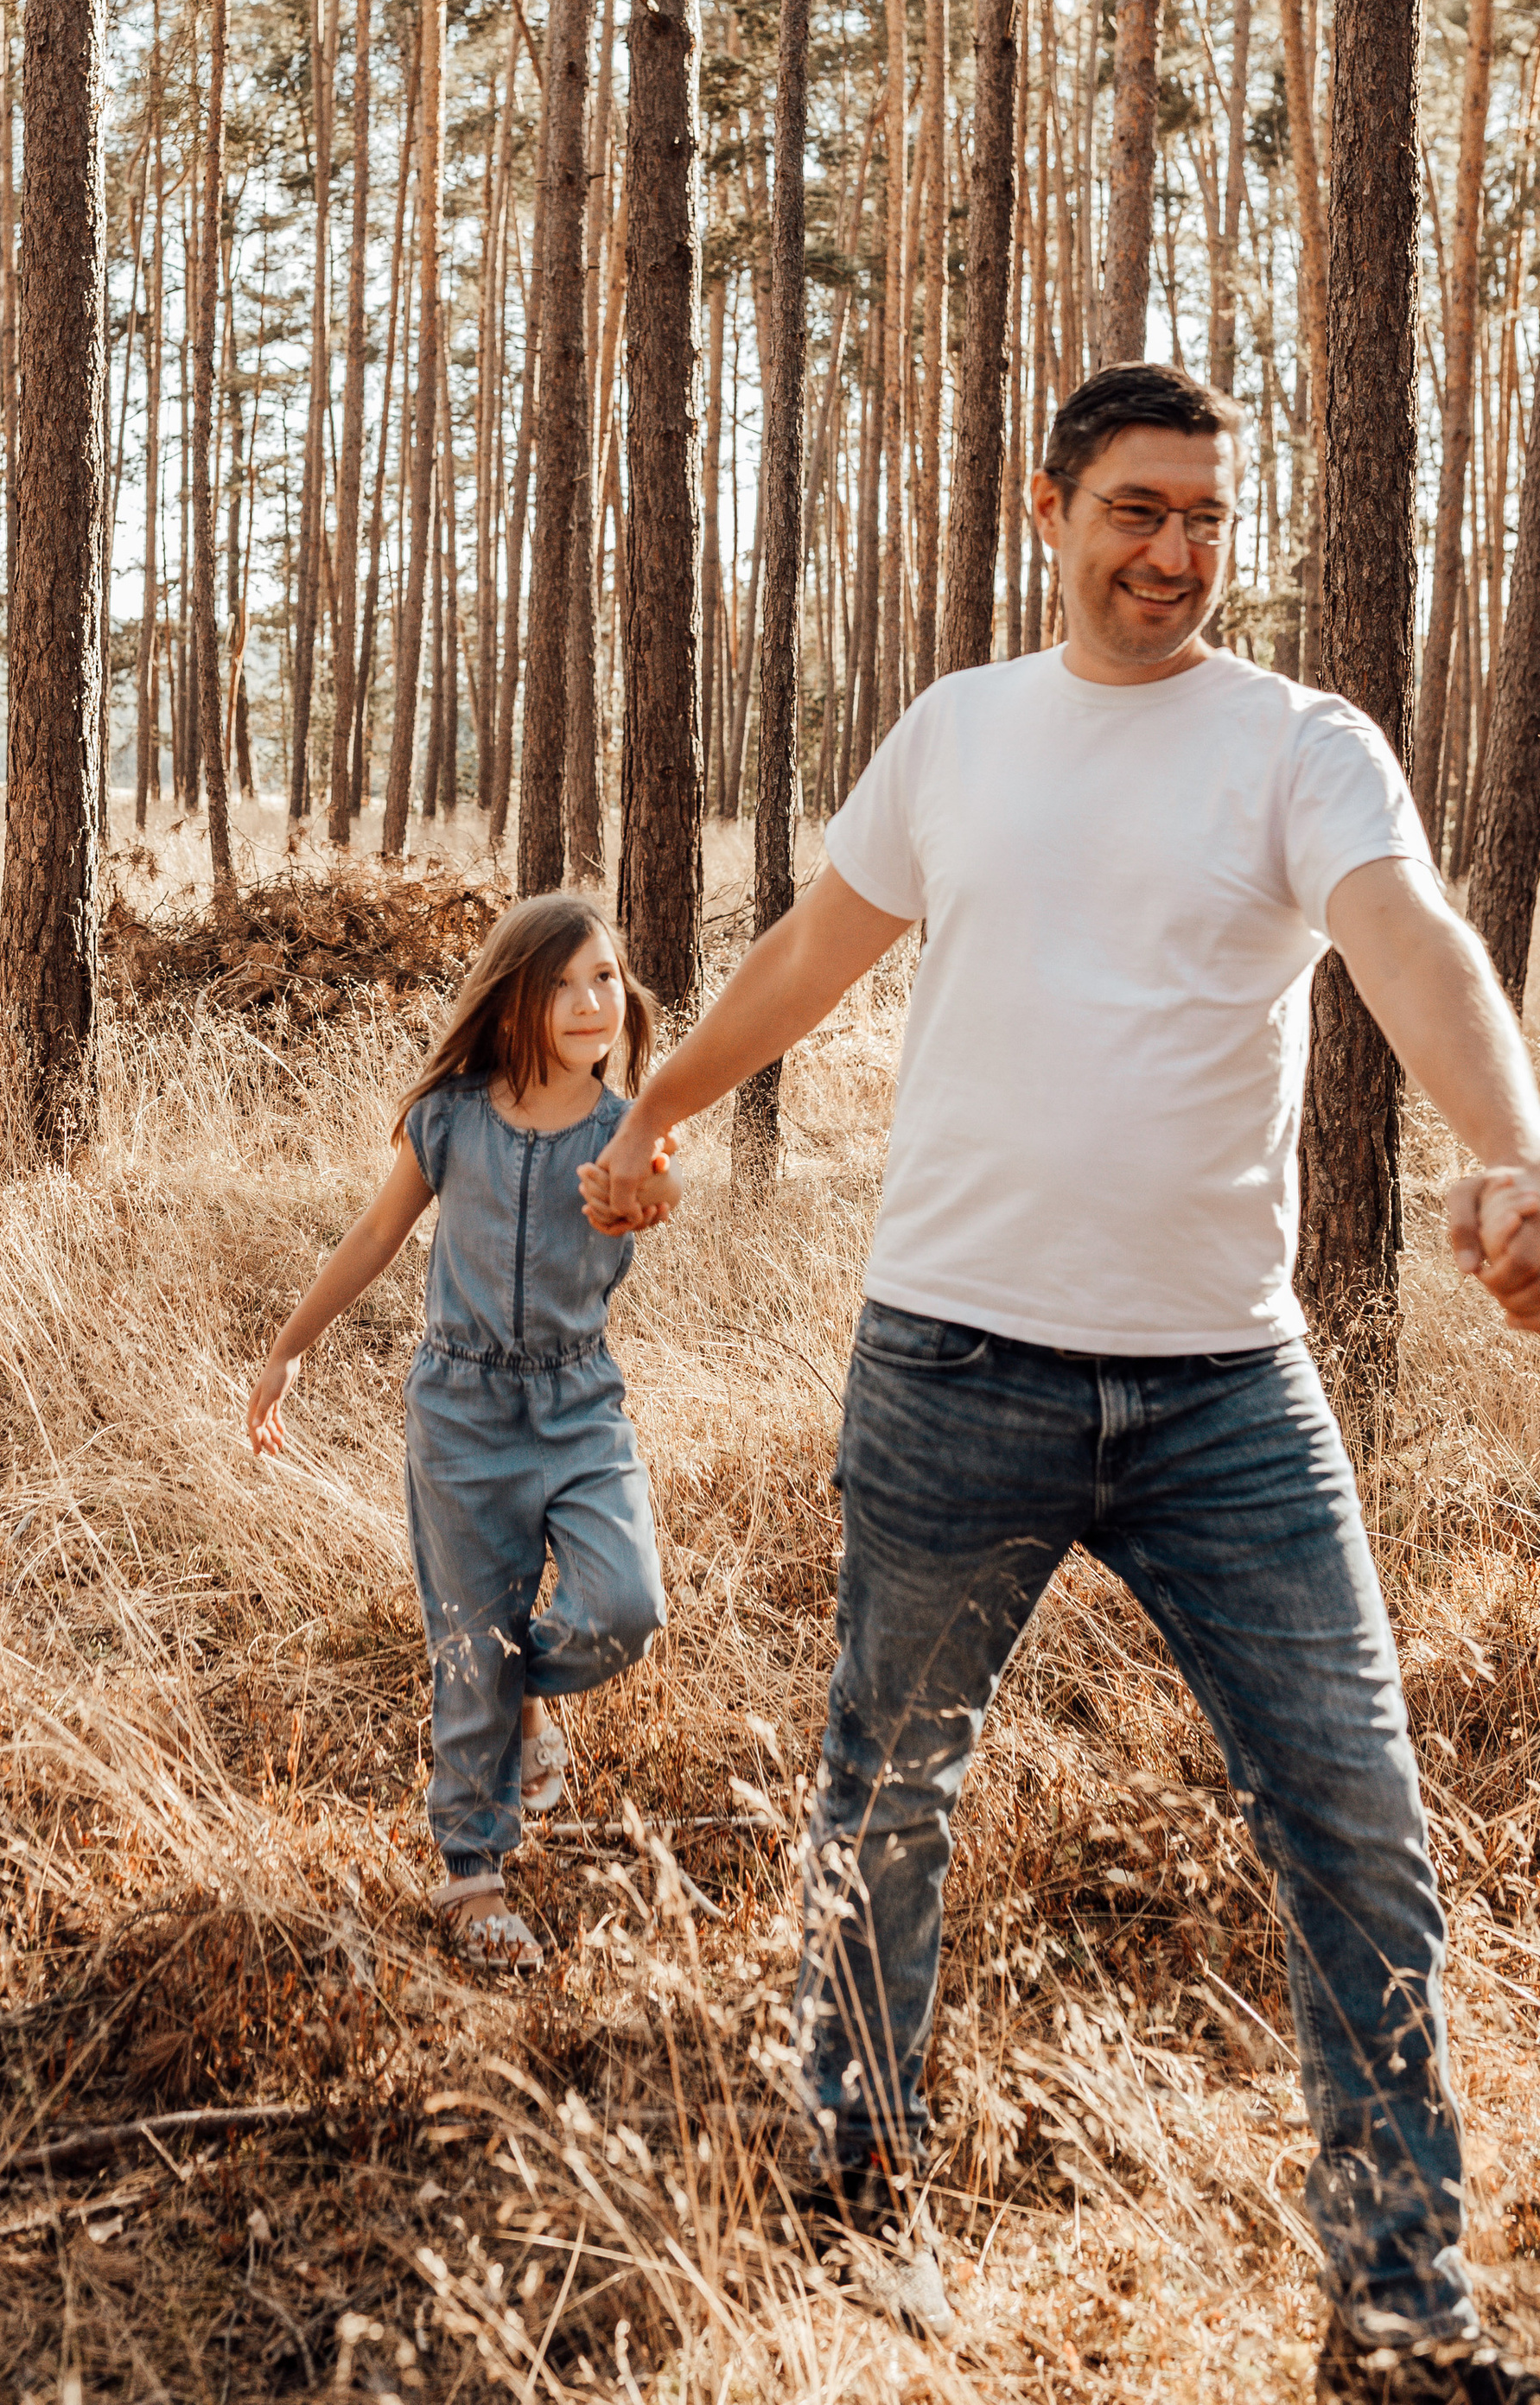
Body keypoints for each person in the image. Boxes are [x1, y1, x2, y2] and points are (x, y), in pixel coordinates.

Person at [584, 362, 1540, 2400]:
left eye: (1203, 514)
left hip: (1227, 1399)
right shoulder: (957, 734)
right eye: (1132, 508)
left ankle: (1395, 2299)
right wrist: (652, 1107)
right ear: (1047, 508)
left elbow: (1411, 942)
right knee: (885, 1788)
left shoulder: (1300, 745)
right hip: (950, 1362)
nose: (1174, 554)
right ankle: (846, 2168)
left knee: (1355, 1818)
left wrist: (1507, 1142)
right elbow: (806, 953)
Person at [250, 895, 678, 1972]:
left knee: (625, 1607)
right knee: (466, 1643)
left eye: (608, 979)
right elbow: (378, 1233)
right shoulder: (451, 1117)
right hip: (461, 1411)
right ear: (514, 996)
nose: (592, 1001)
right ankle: (472, 1874)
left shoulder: (625, 1133)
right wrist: (289, 1346)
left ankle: (526, 1697)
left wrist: (646, 1198)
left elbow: (655, 1192)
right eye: (566, 981)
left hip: (579, 1408)